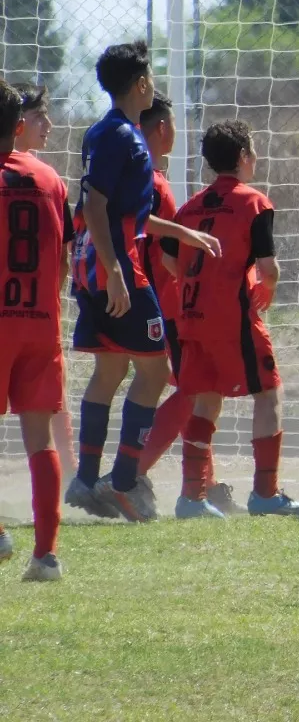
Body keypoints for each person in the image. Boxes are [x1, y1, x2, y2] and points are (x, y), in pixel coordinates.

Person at [64, 41, 220, 522]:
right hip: (119, 272)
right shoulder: (126, 138)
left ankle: (87, 480)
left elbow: (125, 214)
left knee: (109, 373)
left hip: (94, 268)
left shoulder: (102, 131)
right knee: (154, 372)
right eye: (150, 75)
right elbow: (94, 207)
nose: (153, 82)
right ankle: (126, 481)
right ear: (141, 84)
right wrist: (115, 271)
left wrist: (180, 230)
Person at [160, 120, 299, 518]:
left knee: (206, 401)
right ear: (243, 157)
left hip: (191, 315)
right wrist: (268, 288)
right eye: (254, 151)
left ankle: (190, 499)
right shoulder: (253, 202)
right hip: (233, 318)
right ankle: (266, 493)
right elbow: (268, 267)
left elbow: (168, 257)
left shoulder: (188, 207)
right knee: (269, 393)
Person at [135, 96, 244, 514]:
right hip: (168, 304)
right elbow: (165, 253)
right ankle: (132, 474)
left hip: (154, 299)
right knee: (194, 391)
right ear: (163, 129)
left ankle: (207, 485)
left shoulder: (134, 176)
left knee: (199, 390)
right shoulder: (155, 185)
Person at [0, 82, 74, 580]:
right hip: (40, 321)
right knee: (39, 438)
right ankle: (45, 556)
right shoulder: (50, 179)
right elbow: (65, 261)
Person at [13, 84, 76, 476]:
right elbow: (64, 259)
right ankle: (71, 478)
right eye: (39, 116)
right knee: (48, 399)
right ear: (18, 124)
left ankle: (72, 474)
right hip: (35, 312)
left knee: (52, 397)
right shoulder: (48, 180)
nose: (48, 124)